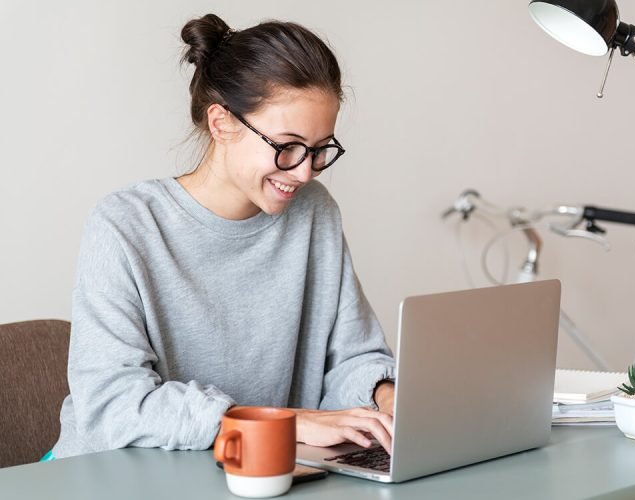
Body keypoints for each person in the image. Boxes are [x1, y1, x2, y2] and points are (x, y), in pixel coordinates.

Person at [50, 13, 396, 460]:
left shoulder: (315, 213)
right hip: (111, 475)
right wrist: (286, 424)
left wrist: (385, 396)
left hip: (248, 470)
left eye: (319, 150)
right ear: (221, 123)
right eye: (287, 146)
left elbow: (352, 358)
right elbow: (114, 406)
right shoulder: (125, 225)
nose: (305, 171)